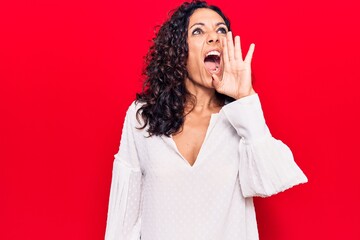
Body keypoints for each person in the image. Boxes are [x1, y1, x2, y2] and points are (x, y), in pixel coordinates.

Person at [104, 1, 307, 239]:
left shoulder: (240, 117)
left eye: (221, 30)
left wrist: (246, 98)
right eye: (198, 31)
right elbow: (125, 219)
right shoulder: (143, 116)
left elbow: (271, 181)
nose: (214, 37)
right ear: (180, 50)